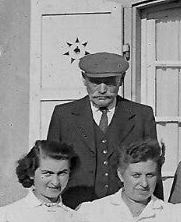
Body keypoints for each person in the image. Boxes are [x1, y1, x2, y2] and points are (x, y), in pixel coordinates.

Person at [46, 52, 160, 209]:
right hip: (74, 208)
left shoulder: (141, 115)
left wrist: (155, 210)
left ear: (121, 80)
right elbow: (50, 167)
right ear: (84, 79)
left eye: (110, 83)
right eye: (95, 82)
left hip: (126, 210)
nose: (102, 90)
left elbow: (152, 167)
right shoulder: (64, 115)